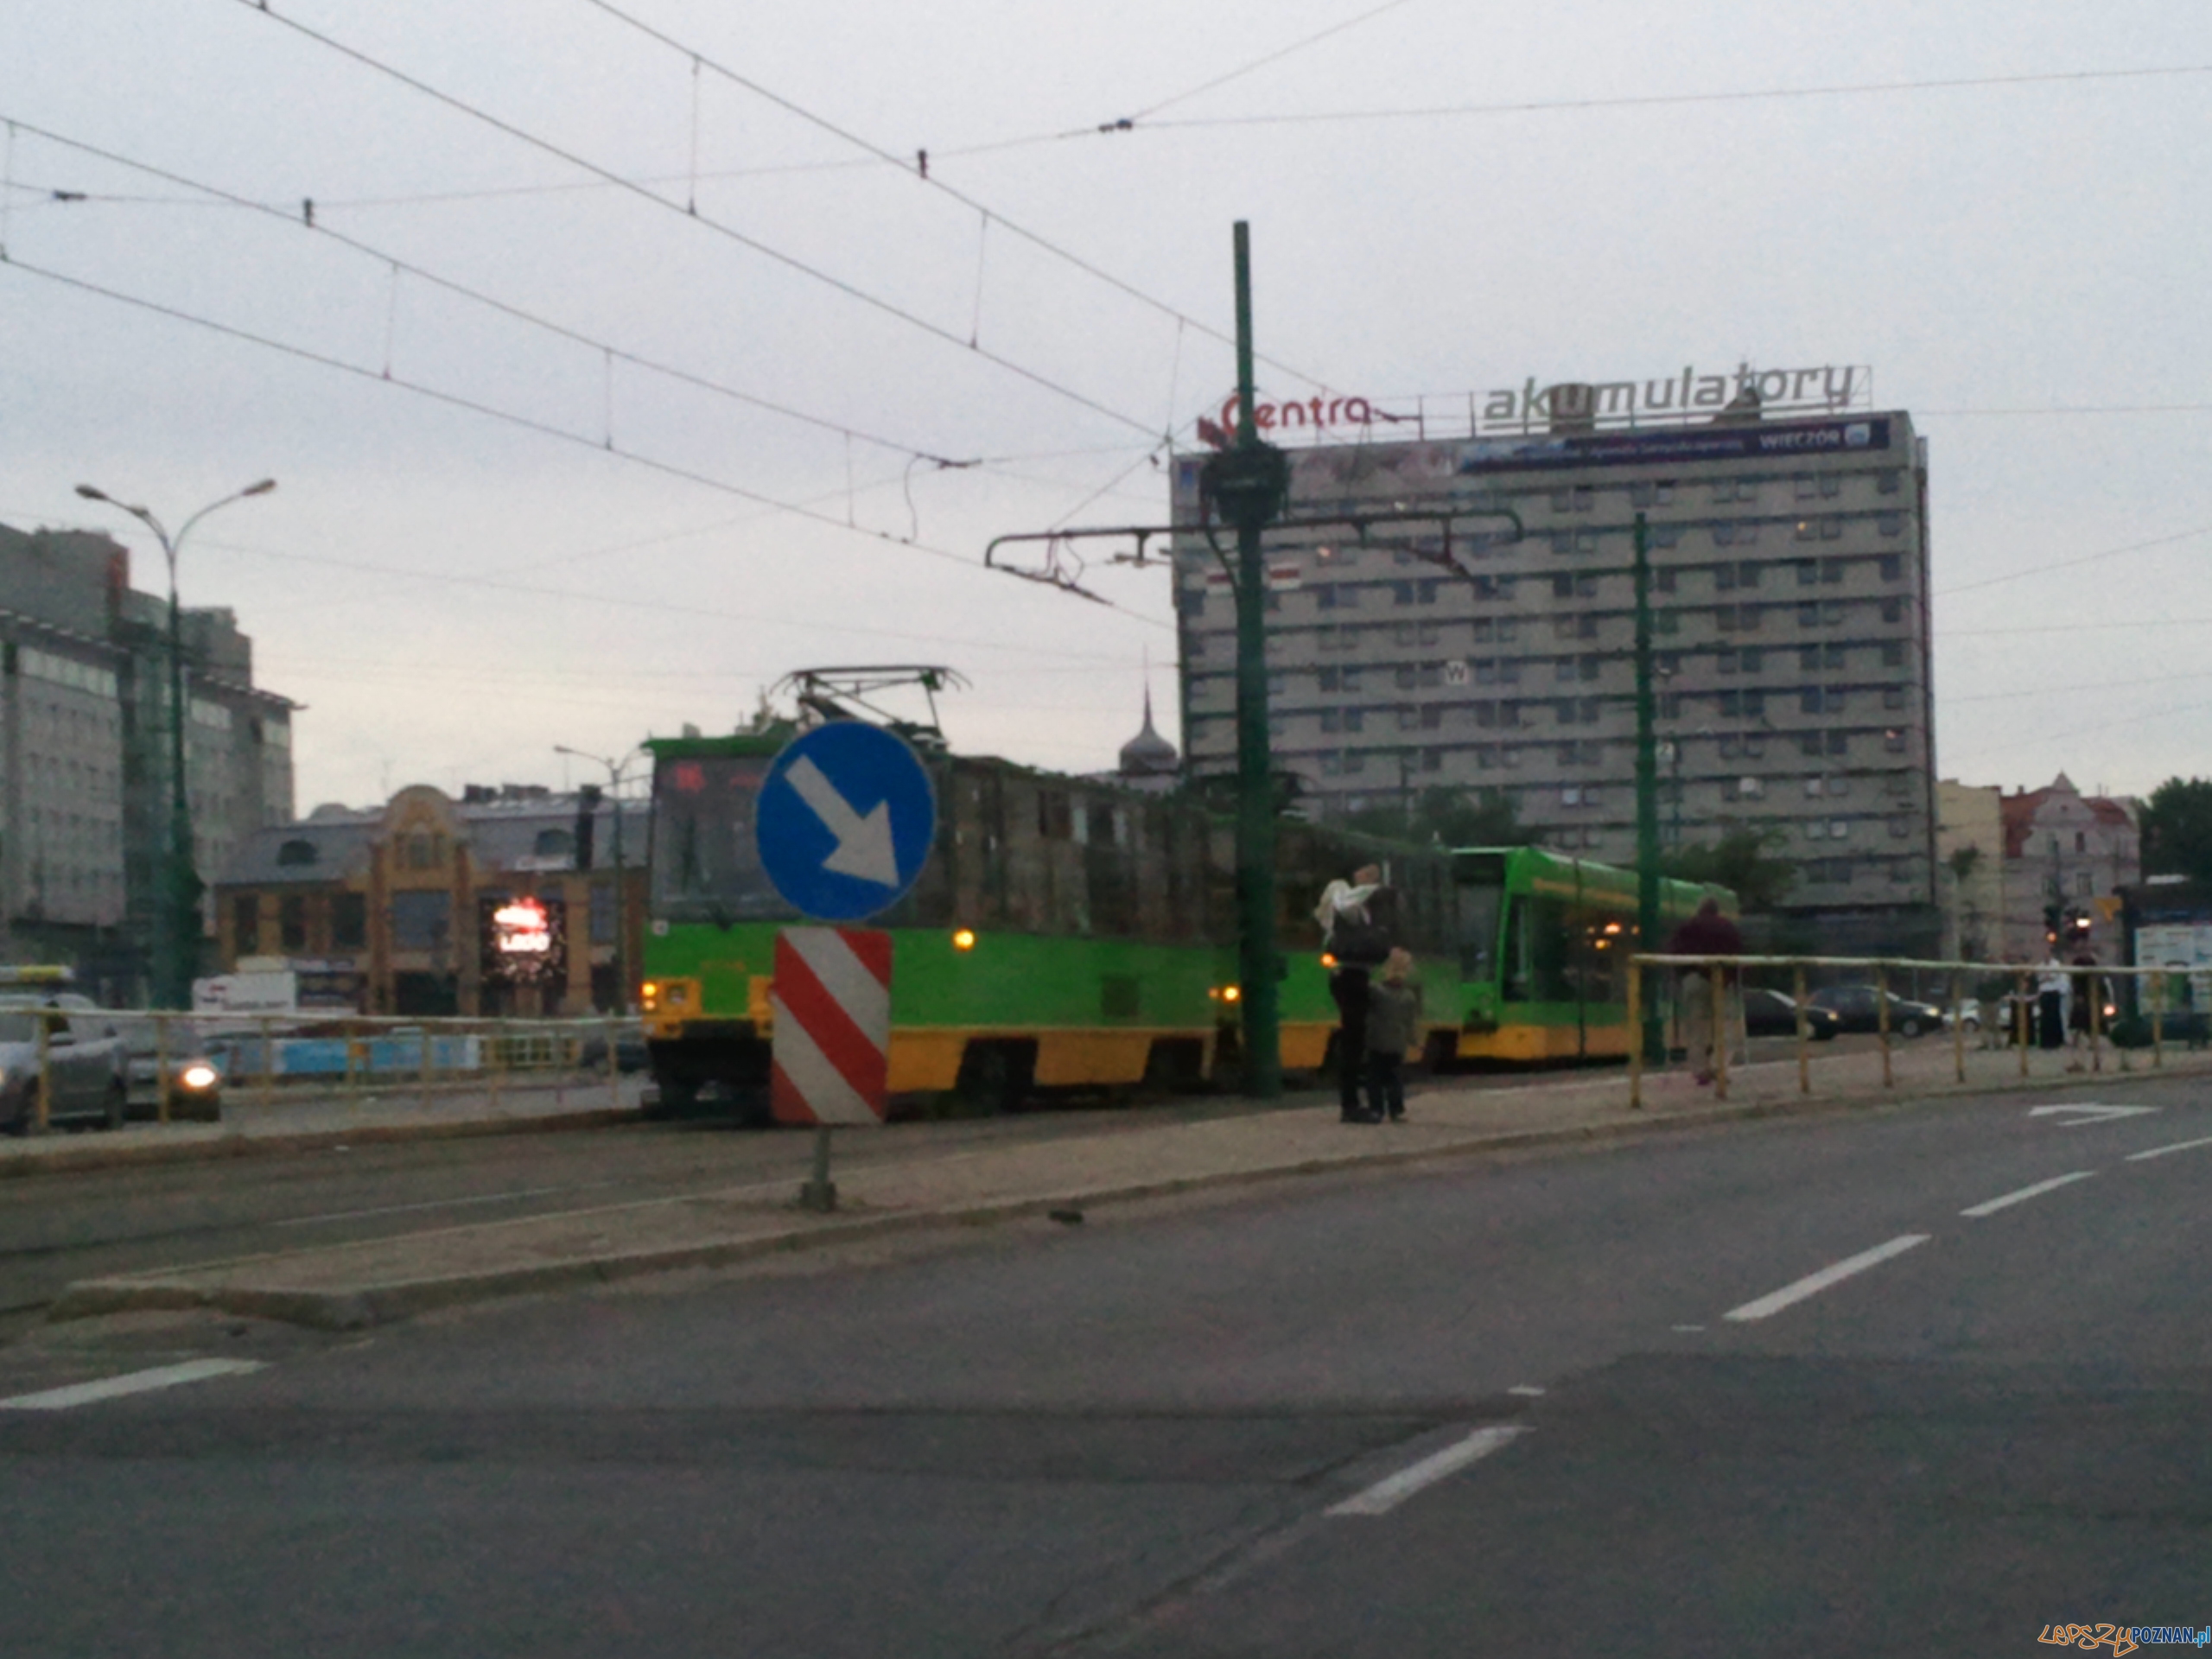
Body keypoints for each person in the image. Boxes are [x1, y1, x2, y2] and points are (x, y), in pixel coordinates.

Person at [1316, 863, 1391, 1122]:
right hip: (1349, 975)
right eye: (1368, 874)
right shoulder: (1345, 895)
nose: (1372, 880)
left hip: (1352, 974)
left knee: (1357, 1038)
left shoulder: (1360, 905)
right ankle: (1350, 1105)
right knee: (1354, 1039)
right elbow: (1346, 907)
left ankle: (1356, 1101)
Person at [1666, 897, 1743, 1086]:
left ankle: (1700, 1070)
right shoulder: (1727, 927)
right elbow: (1738, 953)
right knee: (1725, 1026)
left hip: (1694, 978)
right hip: (1722, 980)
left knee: (1696, 1027)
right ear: (1717, 910)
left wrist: (1682, 975)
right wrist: (1733, 979)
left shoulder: (1687, 926)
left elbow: (1674, 952)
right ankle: (1720, 1067)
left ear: (1700, 909)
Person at [1365, 949, 1421, 1123]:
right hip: (1397, 1042)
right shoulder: (1408, 996)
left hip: (1376, 1039)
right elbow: (1409, 1021)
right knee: (1394, 1078)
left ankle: (1376, 1109)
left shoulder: (1375, 990)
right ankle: (1396, 1110)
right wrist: (1414, 1041)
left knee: (1374, 1077)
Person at [2036, 955, 2069, 1051]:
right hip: (2044, 992)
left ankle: (2056, 1041)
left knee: (2054, 1016)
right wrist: (2046, 977)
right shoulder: (2040, 966)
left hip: (2054, 991)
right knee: (2045, 1017)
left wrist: (2047, 977)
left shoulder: (2056, 964)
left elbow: (2054, 976)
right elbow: (2039, 978)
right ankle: (2045, 1041)